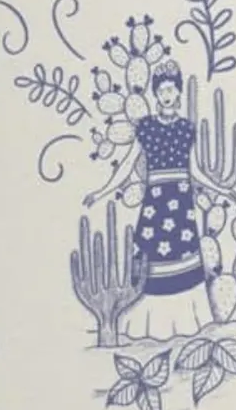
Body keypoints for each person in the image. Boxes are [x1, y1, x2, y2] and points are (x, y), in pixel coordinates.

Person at [86, 59, 209, 340]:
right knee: (150, 261)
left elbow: (195, 170)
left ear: (179, 92)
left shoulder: (187, 129)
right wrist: (102, 191)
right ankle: (147, 327)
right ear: (156, 94)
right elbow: (128, 165)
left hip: (181, 206)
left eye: (172, 89)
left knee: (183, 259)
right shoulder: (146, 127)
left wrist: (222, 190)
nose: (167, 95)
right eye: (162, 90)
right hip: (156, 204)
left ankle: (186, 324)